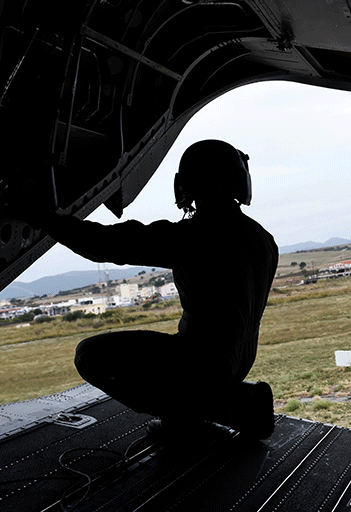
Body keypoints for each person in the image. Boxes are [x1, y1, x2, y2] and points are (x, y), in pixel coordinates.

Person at [36, 139, 279, 439]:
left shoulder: (195, 235)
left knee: (89, 355)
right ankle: (236, 401)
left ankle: (187, 416)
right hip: (241, 361)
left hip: (202, 366)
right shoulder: (264, 240)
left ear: (190, 184)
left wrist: (44, 219)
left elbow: (104, 244)